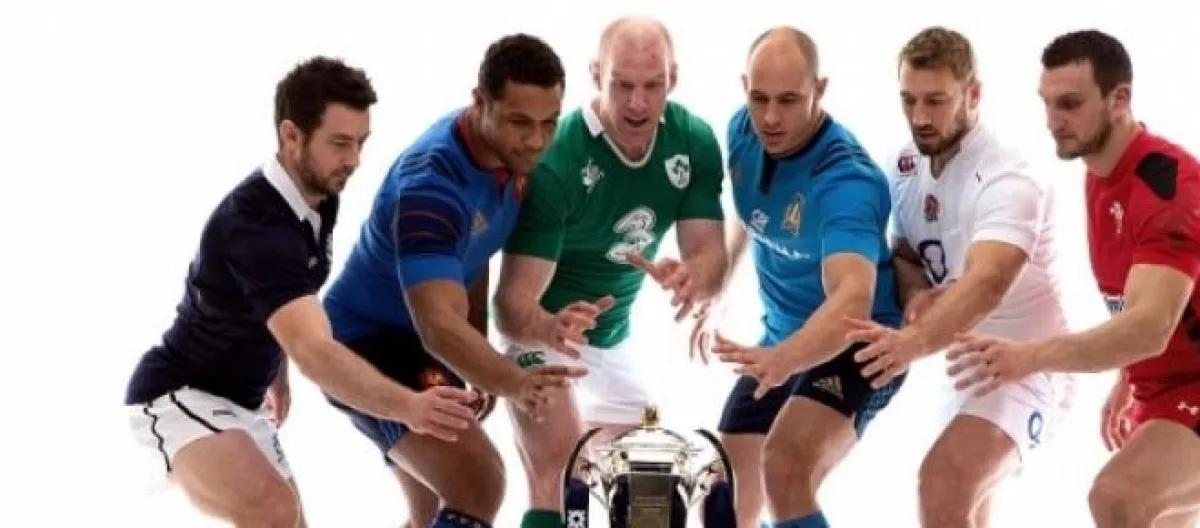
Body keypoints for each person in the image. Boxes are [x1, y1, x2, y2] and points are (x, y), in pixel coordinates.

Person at [124, 57, 478, 528]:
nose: (353, 160)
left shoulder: (318, 198)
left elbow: (287, 301)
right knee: (274, 511)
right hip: (180, 394)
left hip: (244, 402)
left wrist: (277, 370)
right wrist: (410, 406)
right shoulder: (256, 225)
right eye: (339, 143)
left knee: (287, 520)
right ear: (291, 135)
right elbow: (316, 350)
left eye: (361, 143)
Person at [319, 34, 582, 528]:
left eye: (549, 123)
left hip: (410, 341)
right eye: (520, 122)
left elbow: (470, 258)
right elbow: (437, 325)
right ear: (480, 101)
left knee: (429, 512)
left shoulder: (508, 158)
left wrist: (478, 357)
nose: (536, 141)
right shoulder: (431, 186)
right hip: (363, 344)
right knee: (479, 482)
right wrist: (512, 380)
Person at [947, 29, 1200, 528]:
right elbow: (1145, 301)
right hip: (1166, 387)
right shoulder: (1100, 172)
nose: (1053, 121)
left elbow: (1150, 327)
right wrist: (1129, 376)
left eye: (1070, 104)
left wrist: (1028, 357)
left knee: (1118, 499)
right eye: (1047, 103)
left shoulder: (1166, 188)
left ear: (1119, 100)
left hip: (1190, 384)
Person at [491, 15, 728, 528]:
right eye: (622, 85)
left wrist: (694, 278)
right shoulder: (558, 159)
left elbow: (711, 259)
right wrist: (550, 327)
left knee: (653, 479)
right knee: (562, 473)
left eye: (652, 85)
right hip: (541, 335)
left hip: (611, 342)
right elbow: (511, 308)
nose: (637, 103)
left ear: (674, 79)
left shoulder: (693, 141)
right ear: (597, 75)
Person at [842, 26, 1075, 527]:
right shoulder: (904, 165)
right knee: (958, 504)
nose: (920, 118)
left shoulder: (1009, 177)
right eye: (908, 100)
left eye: (936, 101)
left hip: (1029, 365)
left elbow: (986, 282)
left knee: (943, 482)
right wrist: (916, 293)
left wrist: (911, 343)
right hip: (964, 367)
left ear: (973, 94)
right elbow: (906, 252)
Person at [704, 27, 906, 528]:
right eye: (759, 98)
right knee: (724, 496)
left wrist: (784, 360)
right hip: (782, 339)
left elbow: (852, 299)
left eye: (789, 101)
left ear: (820, 89)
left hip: (861, 346)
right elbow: (754, 215)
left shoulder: (847, 181)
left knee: (785, 468)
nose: (770, 118)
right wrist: (716, 285)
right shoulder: (742, 132)